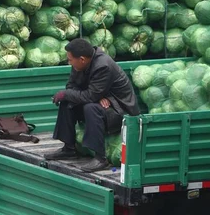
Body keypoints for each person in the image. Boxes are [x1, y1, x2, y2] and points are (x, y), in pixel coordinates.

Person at [45, 38, 140, 173]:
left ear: (82, 59)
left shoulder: (103, 65)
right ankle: (69, 148)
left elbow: (89, 96)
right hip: (102, 101)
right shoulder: (79, 65)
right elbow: (71, 86)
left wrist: (90, 97)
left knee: (90, 107)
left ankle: (100, 158)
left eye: (70, 60)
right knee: (67, 102)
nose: (69, 62)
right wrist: (94, 97)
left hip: (120, 110)